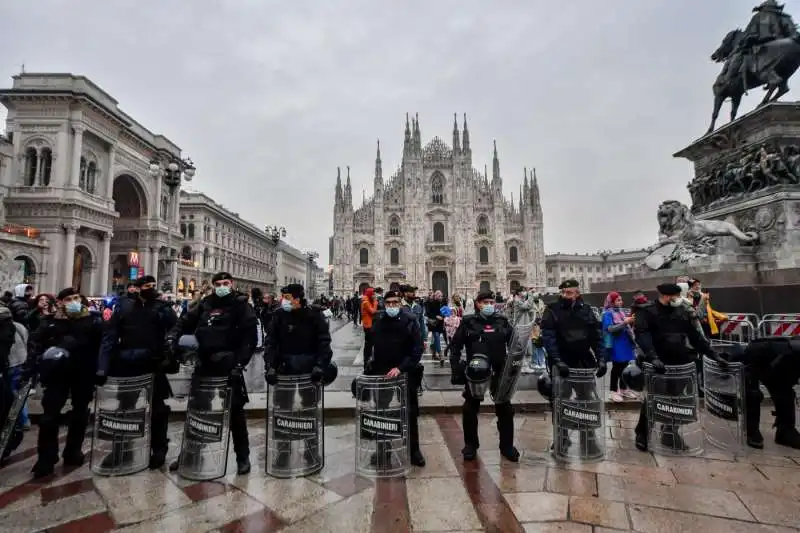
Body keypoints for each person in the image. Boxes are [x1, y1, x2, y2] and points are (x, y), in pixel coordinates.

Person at [168, 272, 257, 475]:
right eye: (218, 284)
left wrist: (240, 363)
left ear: (232, 284)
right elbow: (185, 321)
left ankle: (242, 457)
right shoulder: (206, 304)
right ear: (214, 285)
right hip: (205, 363)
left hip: (229, 366)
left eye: (226, 283)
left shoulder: (241, 305)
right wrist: (173, 336)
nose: (222, 286)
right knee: (197, 412)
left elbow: (249, 339)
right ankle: (189, 453)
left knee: (235, 414)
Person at [632, 283, 726, 452]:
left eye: (678, 295)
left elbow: (696, 337)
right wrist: (653, 357)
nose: (677, 299)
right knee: (654, 399)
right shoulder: (646, 311)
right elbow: (642, 335)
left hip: (680, 363)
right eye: (674, 296)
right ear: (664, 296)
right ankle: (643, 433)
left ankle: (670, 432)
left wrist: (714, 355)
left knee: (677, 399)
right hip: (657, 364)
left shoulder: (682, 311)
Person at [97, 275, 177, 469]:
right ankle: (122, 450)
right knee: (124, 409)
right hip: (128, 364)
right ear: (137, 288)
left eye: (153, 285)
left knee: (158, 409)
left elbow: (175, 328)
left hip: (154, 363)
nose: (150, 288)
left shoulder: (161, 308)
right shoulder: (124, 307)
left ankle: (159, 449)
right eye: (146, 286)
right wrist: (102, 367)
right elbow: (110, 337)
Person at [25, 287, 104, 478]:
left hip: (83, 374)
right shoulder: (50, 323)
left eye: (77, 297)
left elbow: (102, 346)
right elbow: (35, 345)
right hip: (56, 375)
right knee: (48, 416)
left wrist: (101, 370)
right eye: (69, 299)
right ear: (60, 302)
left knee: (80, 413)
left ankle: (73, 451)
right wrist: (34, 367)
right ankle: (46, 458)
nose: (74, 301)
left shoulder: (93, 321)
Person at [265, 283, 332, 469]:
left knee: (310, 410)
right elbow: (270, 342)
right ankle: (283, 452)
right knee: (282, 411)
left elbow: (324, 342)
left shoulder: (314, 315)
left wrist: (320, 365)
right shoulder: (278, 316)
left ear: (298, 298)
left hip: (308, 372)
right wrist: (270, 366)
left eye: (287, 297)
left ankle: (311, 451)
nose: (283, 301)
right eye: (283, 297)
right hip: (284, 371)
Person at [449, 291, 518, 462]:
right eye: (485, 302)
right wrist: (456, 367)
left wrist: (514, 366)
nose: (489, 305)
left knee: (505, 409)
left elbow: (515, 344)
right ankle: (471, 445)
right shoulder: (468, 322)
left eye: (491, 302)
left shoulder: (502, 321)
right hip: (475, 371)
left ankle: (507, 446)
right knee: (470, 408)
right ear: (478, 303)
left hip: (499, 370)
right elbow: (455, 346)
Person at [540, 279, 607, 454]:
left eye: (569, 293)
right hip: (562, 362)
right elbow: (549, 337)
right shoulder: (552, 310)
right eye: (562, 293)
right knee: (560, 400)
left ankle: (589, 437)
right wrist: (556, 359)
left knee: (587, 399)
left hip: (583, 361)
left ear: (577, 293)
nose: (565, 296)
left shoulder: (587, 311)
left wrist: (601, 358)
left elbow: (596, 336)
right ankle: (561, 437)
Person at [367, 290, 425, 467]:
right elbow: (369, 347)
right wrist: (367, 371)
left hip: (405, 372)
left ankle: (413, 449)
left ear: (400, 303)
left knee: (410, 411)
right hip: (382, 372)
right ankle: (382, 449)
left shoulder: (410, 321)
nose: (392, 306)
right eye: (388, 303)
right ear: (384, 303)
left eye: (395, 303)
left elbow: (416, 350)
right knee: (381, 412)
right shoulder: (378, 320)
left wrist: (400, 368)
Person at [725, 337, 800, 449]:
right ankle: (752, 432)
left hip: (780, 363)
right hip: (756, 358)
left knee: (786, 395)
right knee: (753, 394)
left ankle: (785, 433)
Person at [601, 292, 638, 402]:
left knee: (625, 366)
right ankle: (613, 391)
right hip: (616, 343)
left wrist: (630, 321)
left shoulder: (621, 312)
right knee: (617, 367)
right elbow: (610, 329)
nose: (620, 302)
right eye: (618, 300)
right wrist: (625, 322)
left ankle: (623, 389)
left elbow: (625, 326)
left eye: (621, 300)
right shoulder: (607, 313)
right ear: (611, 302)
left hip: (625, 342)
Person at [425, 291, 446, 361]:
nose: (441, 297)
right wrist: (436, 316)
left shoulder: (443, 302)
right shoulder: (431, 303)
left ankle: (434, 354)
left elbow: (445, 311)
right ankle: (440, 354)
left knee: (435, 339)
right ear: (435, 296)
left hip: (440, 323)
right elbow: (428, 313)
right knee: (436, 337)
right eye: (439, 296)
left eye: (441, 296)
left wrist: (443, 316)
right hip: (434, 323)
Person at [360, 288, 378, 370]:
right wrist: (375, 302)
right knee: (368, 345)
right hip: (368, 326)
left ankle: (368, 360)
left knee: (369, 344)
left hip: (369, 324)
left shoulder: (366, 301)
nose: (374, 295)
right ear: (370, 294)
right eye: (373, 294)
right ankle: (367, 362)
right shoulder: (366, 302)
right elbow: (373, 311)